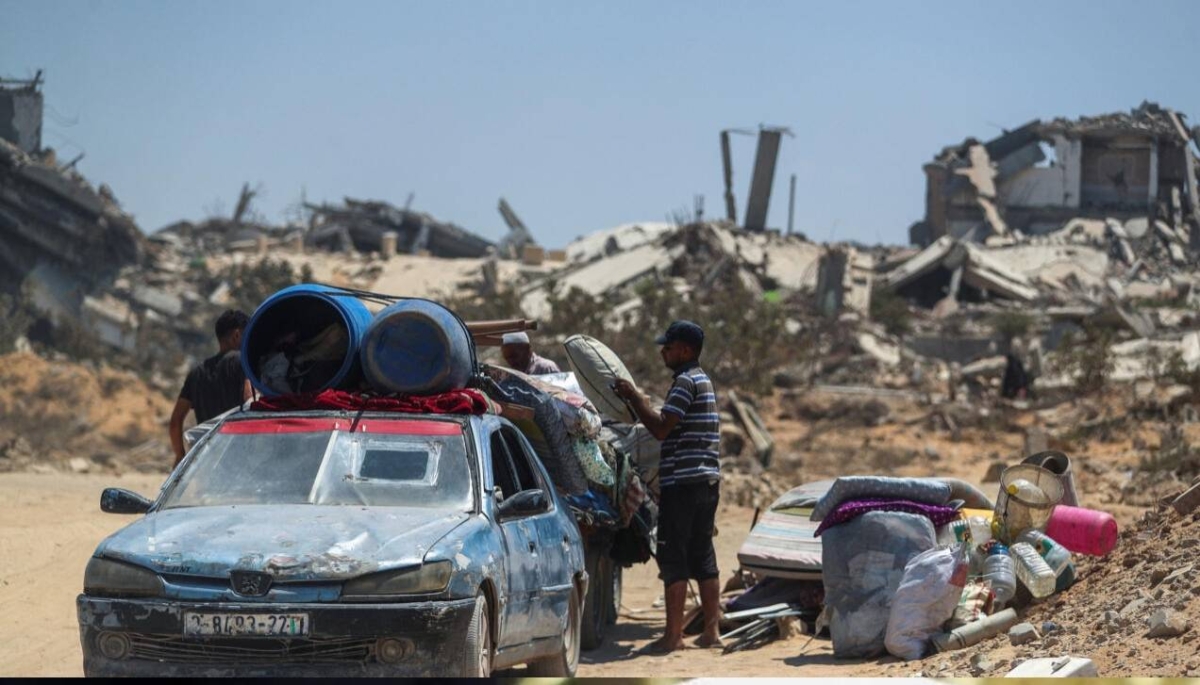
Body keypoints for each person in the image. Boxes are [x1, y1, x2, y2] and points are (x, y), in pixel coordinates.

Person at [613, 320, 722, 653]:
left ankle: (673, 637)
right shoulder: (702, 380)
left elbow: (661, 429)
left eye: (669, 347)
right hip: (706, 481)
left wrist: (635, 399)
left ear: (685, 350)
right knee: (703, 554)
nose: (663, 352)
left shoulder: (685, 382)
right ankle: (711, 632)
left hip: (683, 483)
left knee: (673, 556)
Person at [169, 310, 253, 465]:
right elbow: (250, 403)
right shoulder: (242, 362)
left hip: (207, 461)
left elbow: (175, 421)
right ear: (237, 335)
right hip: (239, 456)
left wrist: (180, 456)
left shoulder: (196, 373)